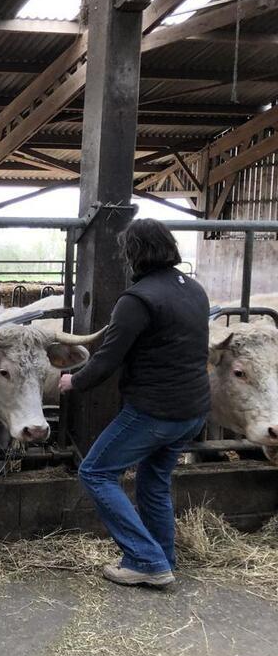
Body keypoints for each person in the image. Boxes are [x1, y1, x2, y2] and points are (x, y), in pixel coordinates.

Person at [59, 218, 210, 588]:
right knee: (153, 483)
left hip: (154, 410)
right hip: (192, 410)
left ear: (134, 253)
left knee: (95, 472)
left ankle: (145, 559)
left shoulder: (138, 299)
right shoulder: (194, 289)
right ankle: (163, 559)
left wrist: (72, 381)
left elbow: (108, 359)